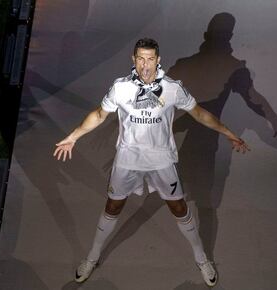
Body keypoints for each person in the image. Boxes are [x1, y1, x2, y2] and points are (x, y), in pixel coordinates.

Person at [53, 38, 249, 287]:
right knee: (113, 206)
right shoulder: (120, 88)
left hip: (162, 162)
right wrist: (73, 137)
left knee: (179, 208)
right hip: (127, 161)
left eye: (150, 59)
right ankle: (92, 257)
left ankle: (202, 258)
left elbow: (198, 113)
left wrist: (229, 133)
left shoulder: (172, 88)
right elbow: (99, 114)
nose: (145, 64)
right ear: (133, 60)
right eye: (140, 58)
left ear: (158, 60)